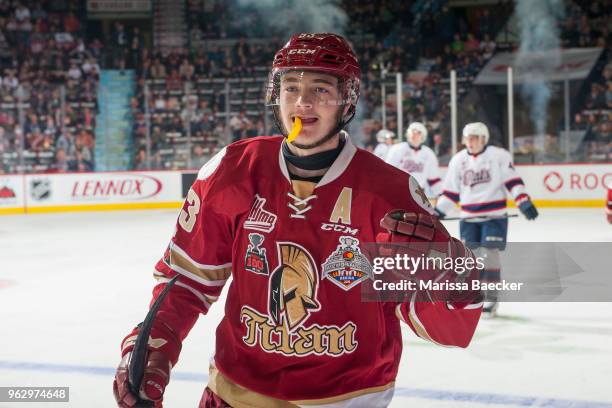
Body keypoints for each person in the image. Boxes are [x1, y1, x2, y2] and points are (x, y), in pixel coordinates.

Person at [113, 33, 483, 408]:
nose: (303, 102)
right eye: (292, 87)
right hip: (234, 395)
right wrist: (153, 345)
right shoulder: (233, 169)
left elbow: (447, 330)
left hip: (347, 399)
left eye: (321, 89)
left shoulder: (390, 192)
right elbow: (188, 280)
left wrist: (454, 280)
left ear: (347, 99)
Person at [434, 122, 539, 316]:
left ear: (483, 139)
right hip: (468, 218)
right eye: (468, 138)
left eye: (474, 138)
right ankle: (474, 295)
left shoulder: (498, 156)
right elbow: (450, 192)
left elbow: (513, 181)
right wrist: (438, 212)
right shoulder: (458, 160)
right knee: (471, 259)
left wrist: (523, 201)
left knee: (490, 255)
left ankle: (491, 297)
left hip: (494, 217)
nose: (470, 142)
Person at [385, 122, 442, 199]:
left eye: (418, 132)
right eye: (412, 131)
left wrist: (441, 195)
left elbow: (434, 179)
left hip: (419, 195)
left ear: (423, 136)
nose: (414, 134)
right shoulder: (397, 149)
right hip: (399, 192)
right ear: (408, 133)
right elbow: (388, 172)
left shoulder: (429, 154)